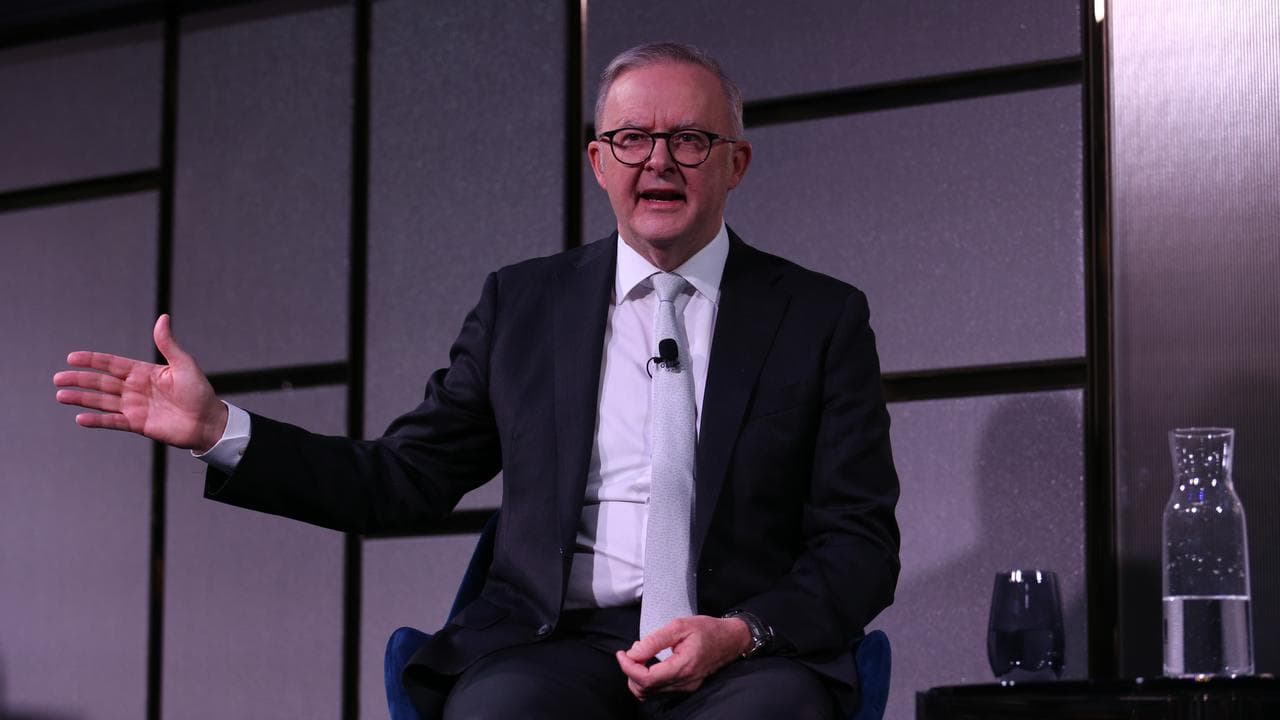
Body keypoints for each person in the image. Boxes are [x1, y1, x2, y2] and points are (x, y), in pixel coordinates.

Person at [53, 42, 899, 719]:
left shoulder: (820, 318)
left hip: (745, 652)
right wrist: (221, 432)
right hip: (561, 645)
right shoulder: (523, 305)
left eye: (689, 139)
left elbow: (860, 543)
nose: (659, 163)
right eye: (631, 139)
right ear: (599, 162)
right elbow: (402, 480)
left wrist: (741, 632)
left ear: (735, 163)